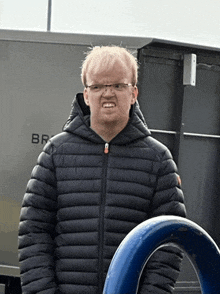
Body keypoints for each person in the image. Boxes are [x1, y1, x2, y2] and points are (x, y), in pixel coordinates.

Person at [18, 46, 186, 294]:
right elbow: (33, 232)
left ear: (133, 93)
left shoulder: (158, 159)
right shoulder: (56, 153)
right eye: (97, 86)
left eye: (118, 85)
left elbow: (169, 243)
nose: (108, 94)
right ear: (86, 95)